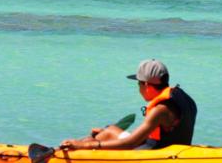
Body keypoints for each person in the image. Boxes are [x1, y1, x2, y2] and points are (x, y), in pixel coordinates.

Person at [60, 59, 196, 151]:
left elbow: (131, 143)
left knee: (92, 140)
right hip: (171, 149)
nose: (138, 88)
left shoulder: (160, 110)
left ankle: (62, 154)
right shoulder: (183, 98)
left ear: (147, 85)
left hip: (156, 155)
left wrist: (88, 145)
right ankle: (70, 147)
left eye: (138, 84)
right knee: (109, 130)